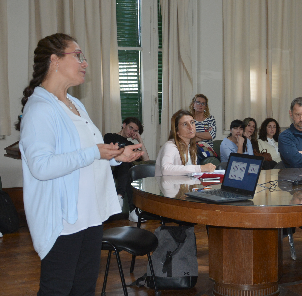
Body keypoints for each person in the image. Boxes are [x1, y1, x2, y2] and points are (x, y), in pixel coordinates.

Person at [17, 33, 143, 295]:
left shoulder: (75, 104)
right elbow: (41, 166)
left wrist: (114, 157)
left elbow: (87, 156)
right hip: (63, 221)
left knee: (84, 289)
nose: (84, 62)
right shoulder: (40, 108)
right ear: (55, 60)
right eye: (77, 55)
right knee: (58, 290)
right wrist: (94, 153)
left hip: (89, 215)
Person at [104, 117, 150, 222]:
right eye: (130, 128)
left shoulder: (131, 145)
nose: (131, 132)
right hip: (111, 168)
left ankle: (122, 200)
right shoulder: (109, 136)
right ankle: (125, 202)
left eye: (135, 131)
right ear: (124, 125)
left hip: (124, 171)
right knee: (125, 160)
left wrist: (140, 140)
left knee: (128, 166)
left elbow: (146, 160)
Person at [155, 110, 217, 176]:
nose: (190, 127)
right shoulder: (170, 146)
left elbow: (190, 174)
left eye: (192, 122)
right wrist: (200, 168)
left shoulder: (191, 147)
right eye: (185, 124)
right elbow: (166, 169)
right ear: (177, 130)